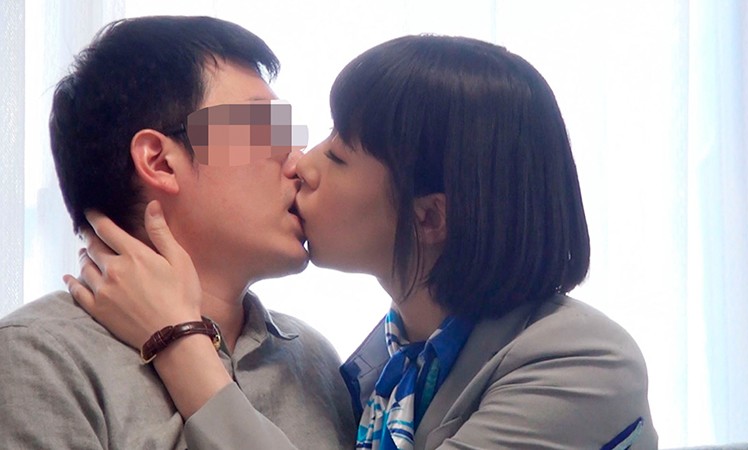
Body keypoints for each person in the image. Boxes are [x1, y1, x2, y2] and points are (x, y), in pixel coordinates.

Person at [69, 35, 659, 448]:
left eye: (340, 155)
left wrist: (179, 343)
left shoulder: (582, 363)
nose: (302, 163)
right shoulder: (382, 366)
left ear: (430, 217)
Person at [0, 16, 354, 449]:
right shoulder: (42, 357)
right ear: (160, 162)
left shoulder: (316, 363)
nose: (299, 161)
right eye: (265, 129)